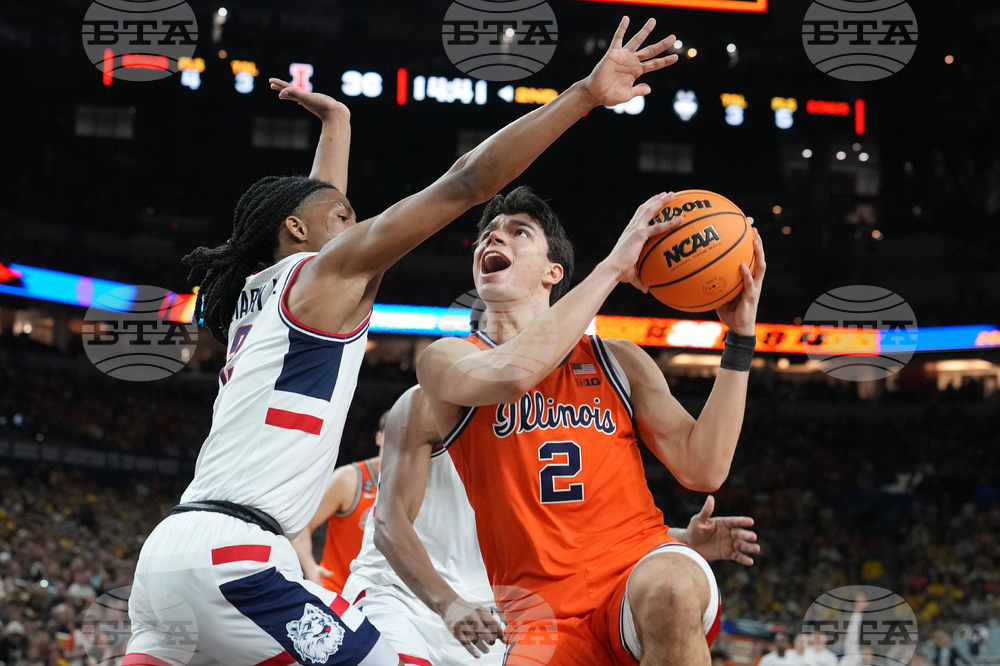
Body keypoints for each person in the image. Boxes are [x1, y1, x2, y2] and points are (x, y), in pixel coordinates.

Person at [125, 15, 679, 666]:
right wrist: (583, 96)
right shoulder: (323, 273)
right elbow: (469, 181)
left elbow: (315, 212)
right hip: (239, 558)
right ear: (302, 234)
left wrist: (339, 128)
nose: (360, 227)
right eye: (346, 219)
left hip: (166, 560)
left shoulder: (264, 287)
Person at [416, 182, 766, 666]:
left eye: (519, 232)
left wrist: (741, 339)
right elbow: (515, 374)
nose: (495, 239)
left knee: (670, 591)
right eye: (487, 235)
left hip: (636, 568)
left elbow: (704, 468)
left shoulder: (618, 360)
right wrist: (614, 268)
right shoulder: (447, 359)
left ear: (553, 272)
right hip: (539, 612)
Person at [358, 386, 760, 664]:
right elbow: (388, 523)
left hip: (485, 612)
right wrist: (446, 602)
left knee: (672, 591)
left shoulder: (545, 423)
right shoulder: (427, 407)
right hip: (406, 593)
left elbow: (570, 527)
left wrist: (681, 537)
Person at [292, 411, 387, 592]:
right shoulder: (349, 479)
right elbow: (301, 524)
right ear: (379, 438)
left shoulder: (424, 484)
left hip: (388, 603)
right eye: (393, 436)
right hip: (339, 595)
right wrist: (310, 567)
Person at [838, 593, 874, 666]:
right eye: (866, 652)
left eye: (870, 654)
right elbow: (852, 637)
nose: (868, 655)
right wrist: (858, 611)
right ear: (861, 652)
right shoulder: (853, 657)